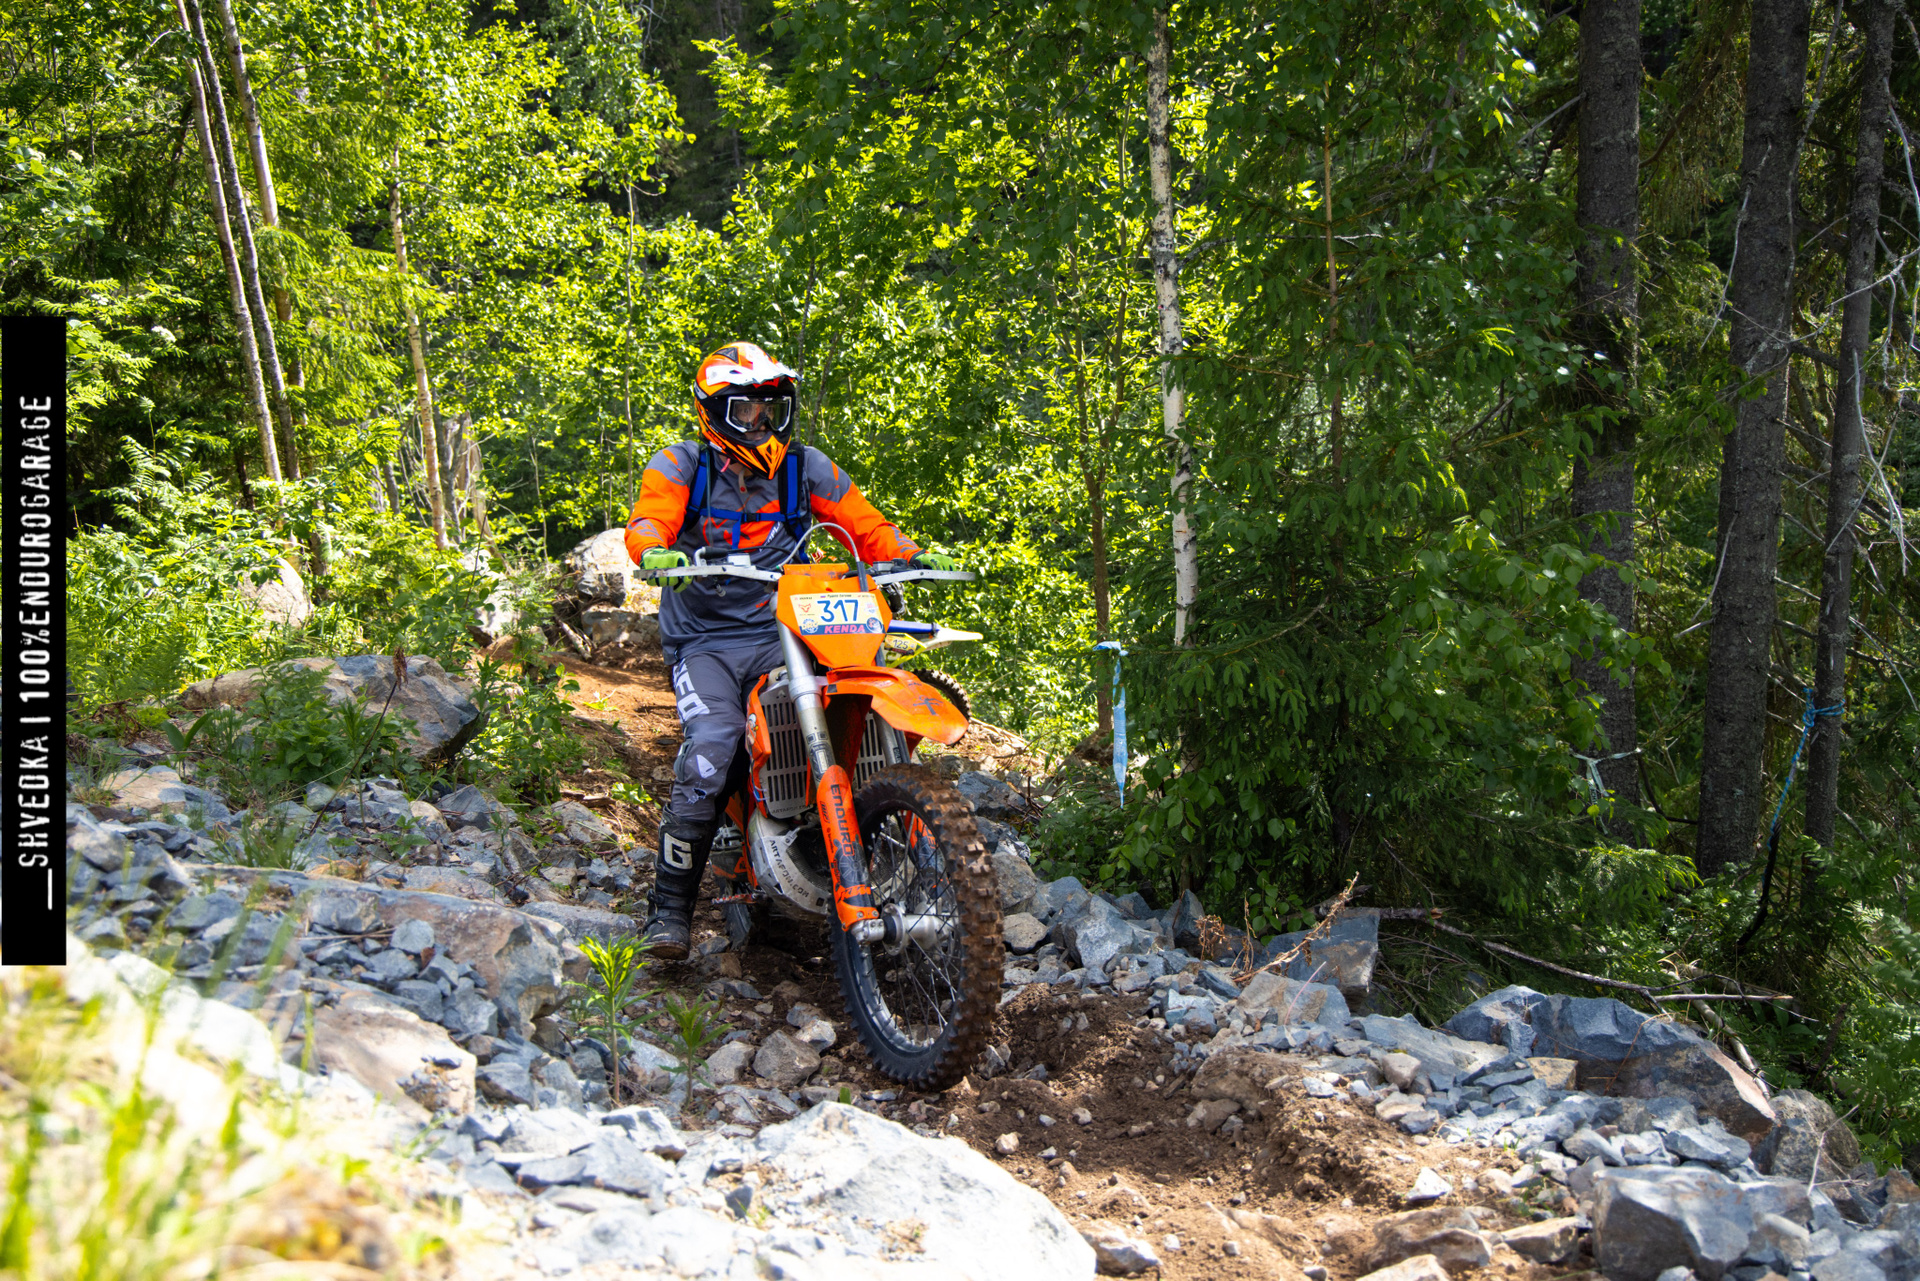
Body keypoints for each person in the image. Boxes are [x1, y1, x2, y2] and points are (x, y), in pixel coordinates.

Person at [622, 341, 956, 958]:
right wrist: (654, 552)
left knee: (851, 712)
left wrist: (908, 553)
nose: (761, 422)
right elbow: (649, 519)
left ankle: (907, 863)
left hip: (790, 625)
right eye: (746, 411)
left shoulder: (804, 467)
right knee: (713, 747)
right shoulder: (681, 463)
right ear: (714, 412)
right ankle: (668, 910)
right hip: (707, 641)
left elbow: (865, 524)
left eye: (770, 410)